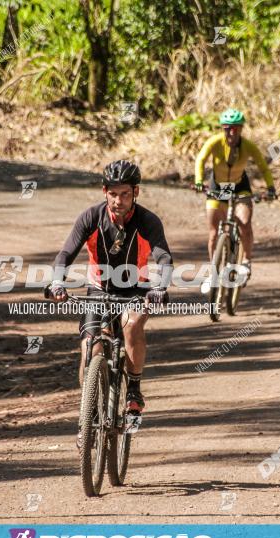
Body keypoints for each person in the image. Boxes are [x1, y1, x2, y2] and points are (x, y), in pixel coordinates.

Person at [49, 160, 173, 416]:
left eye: (125, 194)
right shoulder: (91, 217)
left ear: (135, 192)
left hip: (135, 289)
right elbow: (66, 253)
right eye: (113, 194)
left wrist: (160, 287)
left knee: (132, 324)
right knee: (89, 347)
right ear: (104, 191)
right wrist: (57, 282)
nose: (119, 200)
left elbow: (164, 258)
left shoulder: (148, 220)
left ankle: (134, 390)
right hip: (98, 290)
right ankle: (88, 414)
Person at [194, 108, 277, 280]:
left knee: (244, 223)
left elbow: (263, 167)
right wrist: (199, 181)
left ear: (241, 129)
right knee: (213, 233)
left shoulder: (248, 146)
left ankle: (246, 261)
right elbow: (201, 159)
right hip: (218, 187)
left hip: (240, 186)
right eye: (227, 128)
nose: (231, 132)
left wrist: (271, 188)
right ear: (222, 129)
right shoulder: (214, 142)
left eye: (236, 128)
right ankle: (213, 271)